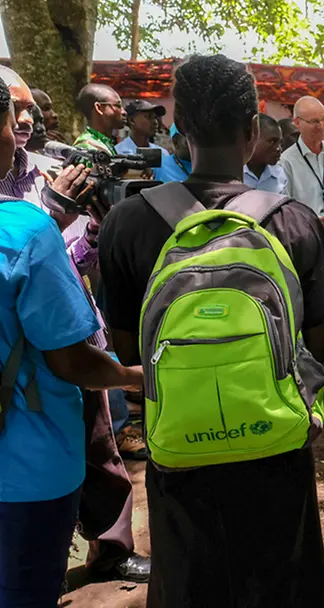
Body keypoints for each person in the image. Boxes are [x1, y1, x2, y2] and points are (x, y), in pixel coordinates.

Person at [98, 53, 324, 608]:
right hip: (275, 446)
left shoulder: (128, 223)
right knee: (283, 579)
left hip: (180, 448)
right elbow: (317, 345)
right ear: (254, 130)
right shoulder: (292, 221)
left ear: (179, 129)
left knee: (190, 580)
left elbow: (131, 349)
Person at [0, 65, 151, 581]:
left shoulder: (45, 169)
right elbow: (26, 243)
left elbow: (69, 258)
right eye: (12, 109)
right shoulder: (36, 204)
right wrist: (53, 212)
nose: (23, 119)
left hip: (68, 332)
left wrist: (87, 232)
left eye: (29, 109)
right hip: (40, 367)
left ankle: (109, 548)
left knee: (101, 451)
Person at [73, 84, 126, 154]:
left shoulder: (104, 142)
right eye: (118, 105)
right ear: (99, 108)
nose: (124, 112)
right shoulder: (87, 147)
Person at [243, 113, 287, 194]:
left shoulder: (280, 175)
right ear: (253, 137)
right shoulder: (232, 174)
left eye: (280, 143)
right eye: (272, 141)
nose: (279, 149)